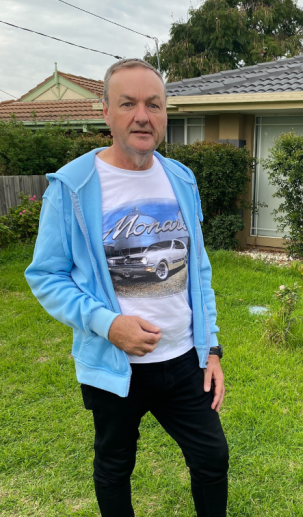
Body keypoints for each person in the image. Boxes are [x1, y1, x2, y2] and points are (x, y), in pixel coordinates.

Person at [24, 58, 228, 517]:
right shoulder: (73, 186)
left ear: (165, 114)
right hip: (117, 365)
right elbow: (46, 276)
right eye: (129, 103)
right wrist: (108, 324)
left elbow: (200, 270)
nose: (143, 115)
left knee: (212, 458)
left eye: (153, 104)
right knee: (115, 467)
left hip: (183, 360)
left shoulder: (181, 178)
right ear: (106, 112)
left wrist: (212, 348)